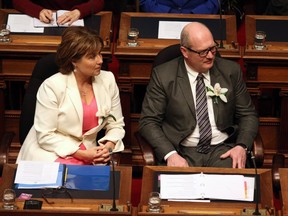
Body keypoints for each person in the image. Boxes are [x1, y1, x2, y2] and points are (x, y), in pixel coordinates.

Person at [139, 22, 258, 169]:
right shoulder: (164, 75)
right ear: (185, 52)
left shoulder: (231, 71)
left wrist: (241, 146)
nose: (210, 56)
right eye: (202, 52)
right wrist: (170, 154)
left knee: (230, 187)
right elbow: (148, 121)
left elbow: (248, 115)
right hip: (181, 151)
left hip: (223, 150)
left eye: (212, 49)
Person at [16, 26, 125, 165]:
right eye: (92, 57)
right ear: (74, 60)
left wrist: (108, 147)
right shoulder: (52, 86)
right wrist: (80, 154)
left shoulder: (108, 80)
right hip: (51, 152)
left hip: (91, 152)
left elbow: (116, 124)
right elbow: (45, 135)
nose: (100, 61)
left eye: (100, 54)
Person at [11, 0, 104, 25]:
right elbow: (17, 1)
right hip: (45, 21)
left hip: (75, 23)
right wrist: (38, 11)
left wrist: (79, 11)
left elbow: (99, 2)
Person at [139, 0, 219, 14]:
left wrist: (194, 13)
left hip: (202, 20)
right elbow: (145, 1)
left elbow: (215, 2)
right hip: (159, 19)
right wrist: (169, 12)